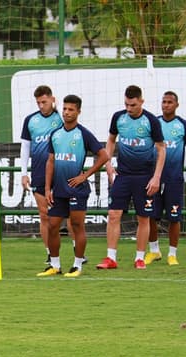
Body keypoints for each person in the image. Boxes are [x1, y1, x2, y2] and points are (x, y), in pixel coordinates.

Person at [37, 95, 109, 278]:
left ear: (78, 112)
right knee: (52, 225)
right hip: (59, 190)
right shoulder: (56, 134)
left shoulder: (83, 133)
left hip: (77, 189)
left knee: (77, 226)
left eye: (71, 109)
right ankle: (54, 265)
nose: (67, 112)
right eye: (65, 109)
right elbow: (50, 161)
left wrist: (84, 175)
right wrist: (47, 189)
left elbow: (104, 156)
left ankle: (77, 265)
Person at [97, 85, 166, 270]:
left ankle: (140, 258)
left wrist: (156, 177)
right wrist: (108, 163)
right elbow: (111, 140)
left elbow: (161, 148)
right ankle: (111, 258)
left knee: (143, 218)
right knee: (113, 215)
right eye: (126, 104)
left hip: (145, 176)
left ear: (141, 102)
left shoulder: (151, 120)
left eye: (133, 105)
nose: (129, 108)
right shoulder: (118, 118)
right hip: (123, 175)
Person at [145, 91, 186, 266]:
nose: (166, 105)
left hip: (174, 179)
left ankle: (172, 254)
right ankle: (154, 251)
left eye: (169, 102)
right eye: (163, 102)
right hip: (154, 179)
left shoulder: (184, 126)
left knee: (174, 217)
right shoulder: (154, 123)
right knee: (150, 215)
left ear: (176, 105)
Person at [20, 85, 63, 264]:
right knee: (44, 214)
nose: (41, 106)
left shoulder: (62, 117)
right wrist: (24, 173)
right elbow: (25, 147)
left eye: (44, 102)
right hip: (38, 172)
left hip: (61, 171)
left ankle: (78, 251)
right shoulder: (30, 120)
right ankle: (49, 253)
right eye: (38, 103)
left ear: (52, 99)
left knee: (67, 214)